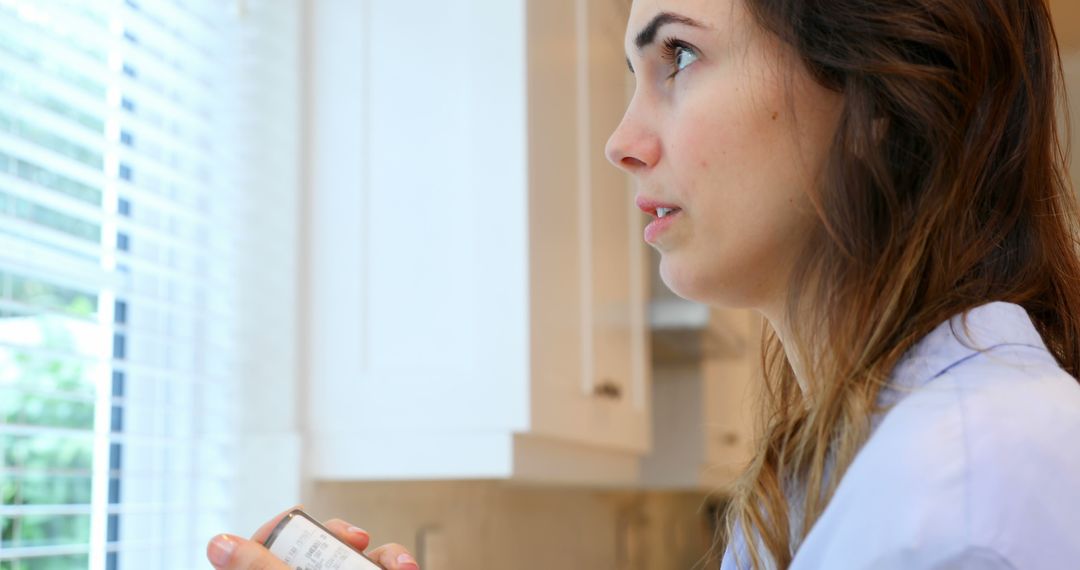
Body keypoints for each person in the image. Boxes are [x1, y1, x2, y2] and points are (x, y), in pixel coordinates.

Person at [207, 0, 1080, 568]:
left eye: (680, 57)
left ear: (879, 100)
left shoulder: (971, 484)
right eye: (636, 74)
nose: (620, 140)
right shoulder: (826, 479)